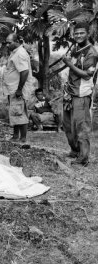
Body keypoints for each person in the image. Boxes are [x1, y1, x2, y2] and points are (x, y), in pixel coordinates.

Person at [61, 22, 97, 166]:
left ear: (88, 33)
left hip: (81, 95)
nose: (78, 35)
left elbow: (87, 75)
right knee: (68, 125)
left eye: (82, 33)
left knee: (81, 127)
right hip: (70, 92)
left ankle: (83, 158)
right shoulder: (76, 48)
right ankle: (75, 151)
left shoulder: (92, 53)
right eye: (76, 33)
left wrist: (69, 63)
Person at [2, 33, 34, 143]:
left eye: (9, 42)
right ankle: (15, 136)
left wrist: (19, 89)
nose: (7, 45)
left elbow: (24, 72)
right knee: (15, 112)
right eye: (6, 42)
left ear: (17, 42)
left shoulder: (20, 53)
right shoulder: (14, 53)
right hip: (13, 89)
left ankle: (23, 138)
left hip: (17, 89)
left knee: (20, 112)